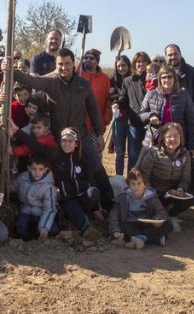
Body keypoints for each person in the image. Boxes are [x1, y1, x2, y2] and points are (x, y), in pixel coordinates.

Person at [7, 48, 115, 209]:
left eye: (67, 64)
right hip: (59, 138)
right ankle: (64, 203)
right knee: (61, 170)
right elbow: (30, 80)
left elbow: (93, 109)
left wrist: (99, 134)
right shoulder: (51, 82)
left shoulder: (83, 84)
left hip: (80, 135)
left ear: (73, 64)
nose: (63, 67)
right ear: (56, 65)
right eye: (60, 64)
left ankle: (108, 200)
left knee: (95, 163)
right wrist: (10, 69)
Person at [45, 128, 104, 239]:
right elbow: (36, 146)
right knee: (72, 206)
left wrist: (96, 207)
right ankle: (86, 228)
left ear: (76, 143)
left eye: (70, 141)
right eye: (64, 140)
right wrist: (16, 130)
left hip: (83, 197)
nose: (66, 144)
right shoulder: (56, 157)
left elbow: (91, 180)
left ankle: (82, 216)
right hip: (68, 199)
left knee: (94, 192)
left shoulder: (83, 159)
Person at [135, 122, 192, 225]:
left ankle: (168, 214)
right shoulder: (153, 153)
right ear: (162, 138)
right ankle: (159, 214)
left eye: (176, 136)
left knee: (191, 197)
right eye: (169, 136)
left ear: (180, 137)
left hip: (171, 194)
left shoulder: (185, 155)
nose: (173, 139)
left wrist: (180, 189)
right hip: (153, 193)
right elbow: (143, 178)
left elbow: (186, 177)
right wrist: (152, 195)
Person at [109, 169, 172, 249]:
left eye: (139, 183)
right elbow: (113, 216)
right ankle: (155, 238)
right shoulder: (123, 198)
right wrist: (115, 231)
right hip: (131, 224)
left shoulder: (151, 197)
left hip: (148, 224)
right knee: (123, 228)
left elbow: (161, 212)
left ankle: (140, 238)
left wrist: (158, 219)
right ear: (128, 184)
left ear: (145, 184)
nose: (136, 187)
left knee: (169, 224)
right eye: (133, 184)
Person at [140, 64, 194, 152]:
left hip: (176, 142)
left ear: (174, 78)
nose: (167, 80)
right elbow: (141, 114)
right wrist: (150, 116)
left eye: (170, 77)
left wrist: (191, 147)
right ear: (159, 79)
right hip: (154, 142)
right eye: (163, 77)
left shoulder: (184, 95)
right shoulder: (151, 94)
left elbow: (191, 122)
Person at [115, 52, 150, 174]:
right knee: (133, 155)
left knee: (148, 155)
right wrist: (117, 104)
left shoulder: (153, 80)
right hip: (134, 124)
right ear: (134, 64)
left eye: (143, 61)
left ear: (148, 63)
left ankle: (145, 182)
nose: (141, 64)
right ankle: (132, 182)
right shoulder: (128, 81)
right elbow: (123, 99)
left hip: (150, 124)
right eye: (138, 61)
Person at [11, 155, 58, 240]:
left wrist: (44, 227)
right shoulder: (23, 177)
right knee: (19, 228)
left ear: (45, 170)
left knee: (53, 230)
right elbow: (12, 187)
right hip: (25, 211)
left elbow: (49, 209)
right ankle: (28, 237)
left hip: (41, 213)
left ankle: (39, 230)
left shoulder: (49, 187)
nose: (37, 172)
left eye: (40, 169)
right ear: (29, 168)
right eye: (34, 169)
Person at [164, 44, 194, 138]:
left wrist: (193, 114)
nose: (173, 57)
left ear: (180, 54)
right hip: (167, 125)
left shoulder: (193, 73)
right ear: (166, 57)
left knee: (190, 152)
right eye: (170, 55)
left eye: (175, 54)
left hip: (190, 125)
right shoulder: (162, 74)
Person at [81, 49, 112, 135]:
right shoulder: (77, 75)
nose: (87, 60)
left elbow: (108, 101)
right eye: (85, 58)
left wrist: (105, 120)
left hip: (95, 127)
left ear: (97, 61)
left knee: (93, 148)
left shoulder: (105, 79)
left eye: (91, 58)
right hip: (77, 124)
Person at [109, 55, 132, 176]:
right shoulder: (112, 79)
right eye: (119, 66)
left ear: (128, 66)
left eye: (124, 65)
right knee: (120, 152)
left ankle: (130, 178)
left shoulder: (134, 79)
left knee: (132, 153)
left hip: (132, 120)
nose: (121, 68)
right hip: (118, 119)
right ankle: (118, 178)